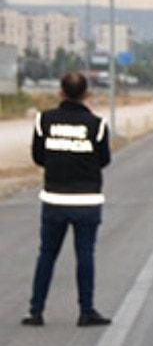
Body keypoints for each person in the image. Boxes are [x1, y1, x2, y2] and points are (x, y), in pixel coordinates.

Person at [22, 72, 112, 327]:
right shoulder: (97, 125)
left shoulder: (44, 121)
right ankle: (86, 311)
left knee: (47, 255)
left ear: (60, 92)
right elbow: (104, 159)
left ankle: (36, 311)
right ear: (87, 94)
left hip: (54, 199)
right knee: (85, 256)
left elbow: (38, 157)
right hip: (87, 201)